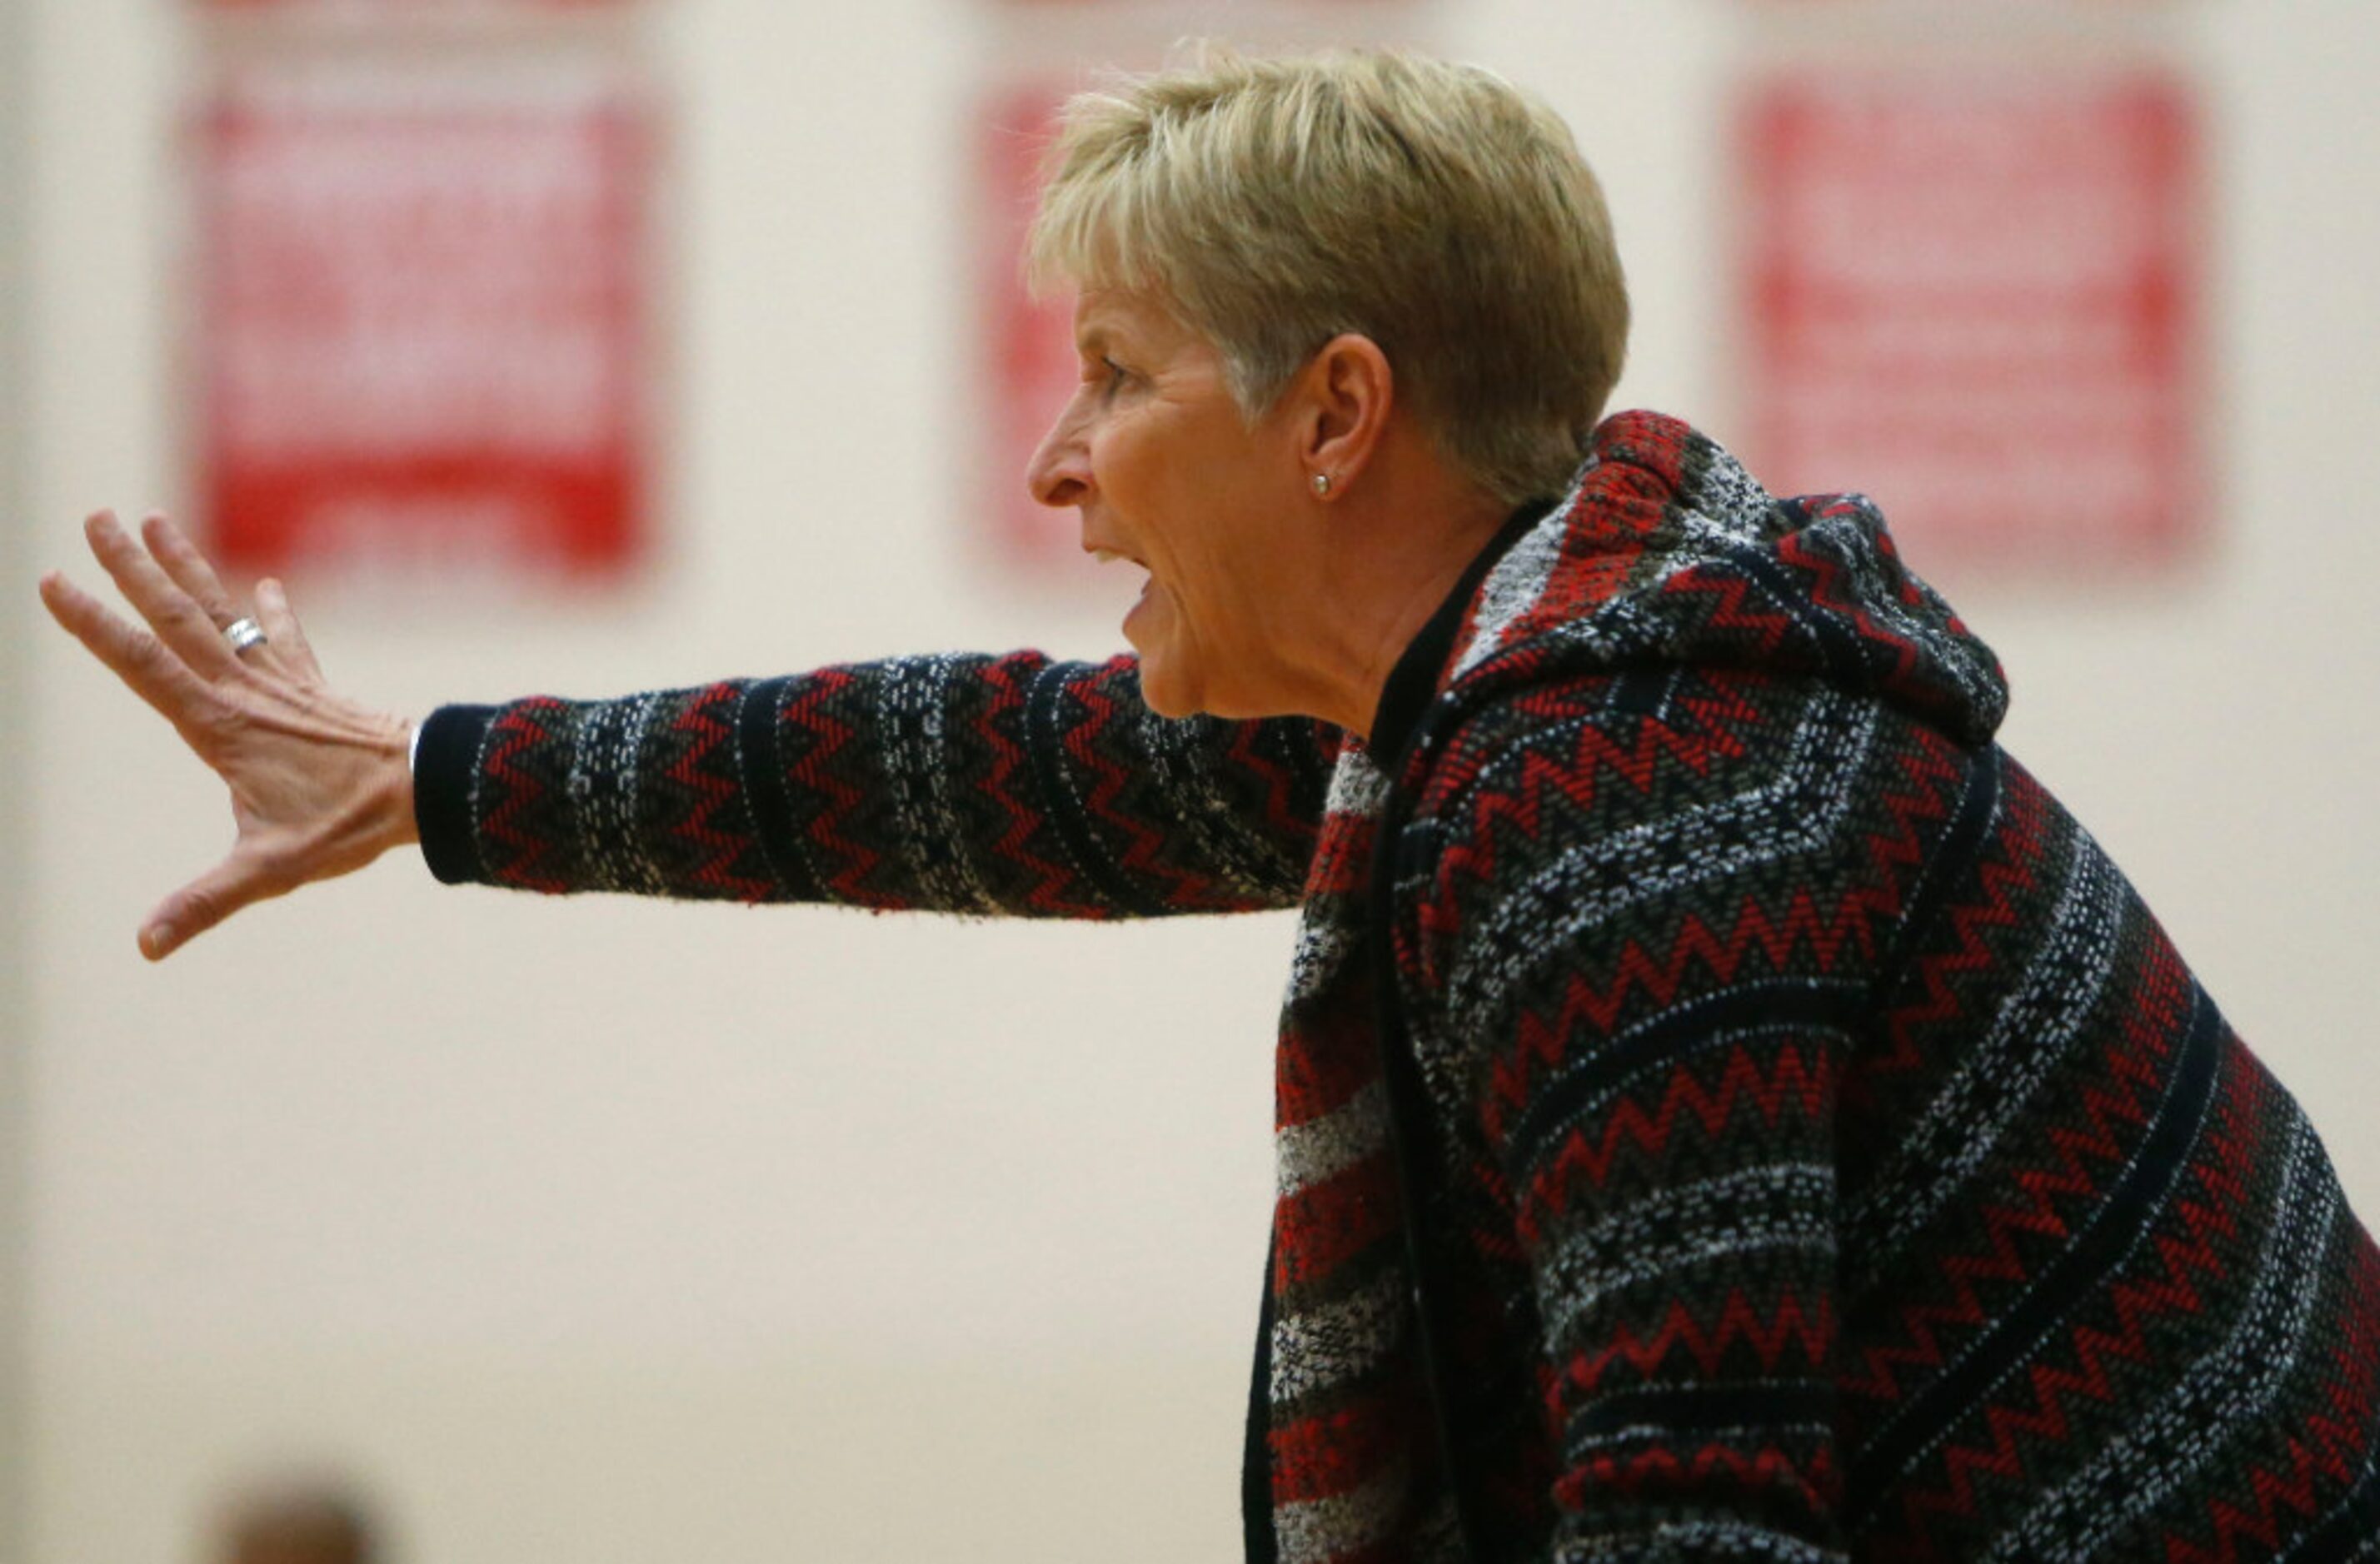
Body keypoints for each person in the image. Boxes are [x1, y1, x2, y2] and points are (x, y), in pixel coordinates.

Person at [38, 47, 2380, 1564]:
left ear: (1335, 414)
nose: (1054, 466)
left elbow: (1695, 1530)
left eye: (1117, 381)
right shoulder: (1520, 690)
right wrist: (424, 780)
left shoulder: (1632, 803)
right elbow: (964, 766)